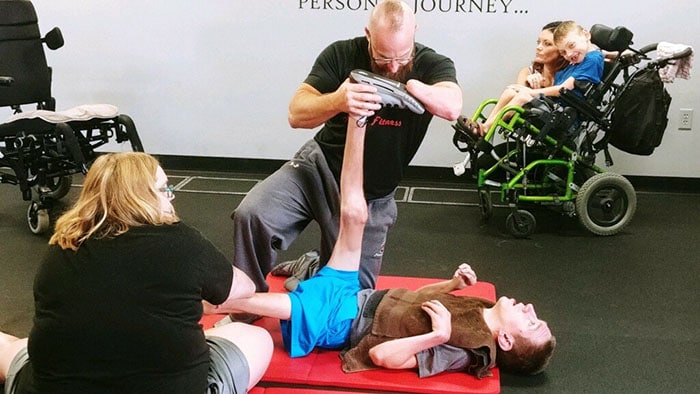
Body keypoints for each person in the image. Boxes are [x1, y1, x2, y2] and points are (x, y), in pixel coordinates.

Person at [207, 115, 556, 378]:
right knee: (356, 213)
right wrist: (451, 286)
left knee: (255, 301)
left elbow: (384, 357)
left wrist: (437, 336)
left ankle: (204, 303)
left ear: (506, 341)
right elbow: (421, 300)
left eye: (530, 322)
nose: (530, 309)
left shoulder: (467, 351)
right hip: (354, 295)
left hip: (342, 321)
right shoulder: (480, 308)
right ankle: (357, 121)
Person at [231, 0, 462, 298]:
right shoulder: (341, 53)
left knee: (351, 302)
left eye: (401, 57)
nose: (392, 66)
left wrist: (405, 89)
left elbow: (453, 106)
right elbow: (296, 113)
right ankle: (243, 303)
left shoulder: (433, 64)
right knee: (252, 214)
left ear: (415, 32)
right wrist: (338, 100)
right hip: (317, 169)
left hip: (371, 196)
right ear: (368, 34)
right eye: (382, 57)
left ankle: (312, 266)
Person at [0, 152, 273, 394]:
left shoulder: (61, 247)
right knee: (254, 337)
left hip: (52, 385)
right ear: (139, 196)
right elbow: (245, 287)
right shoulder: (183, 243)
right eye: (163, 188)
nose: (172, 195)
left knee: (13, 346)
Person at [465, 20, 604, 136]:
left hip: (563, 115)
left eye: (547, 44)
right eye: (564, 51)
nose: (539, 48)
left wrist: (530, 92)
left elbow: (563, 88)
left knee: (523, 97)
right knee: (510, 91)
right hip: (554, 106)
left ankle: (485, 129)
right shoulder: (576, 59)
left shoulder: (585, 60)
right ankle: (485, 127)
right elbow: (596, 53)